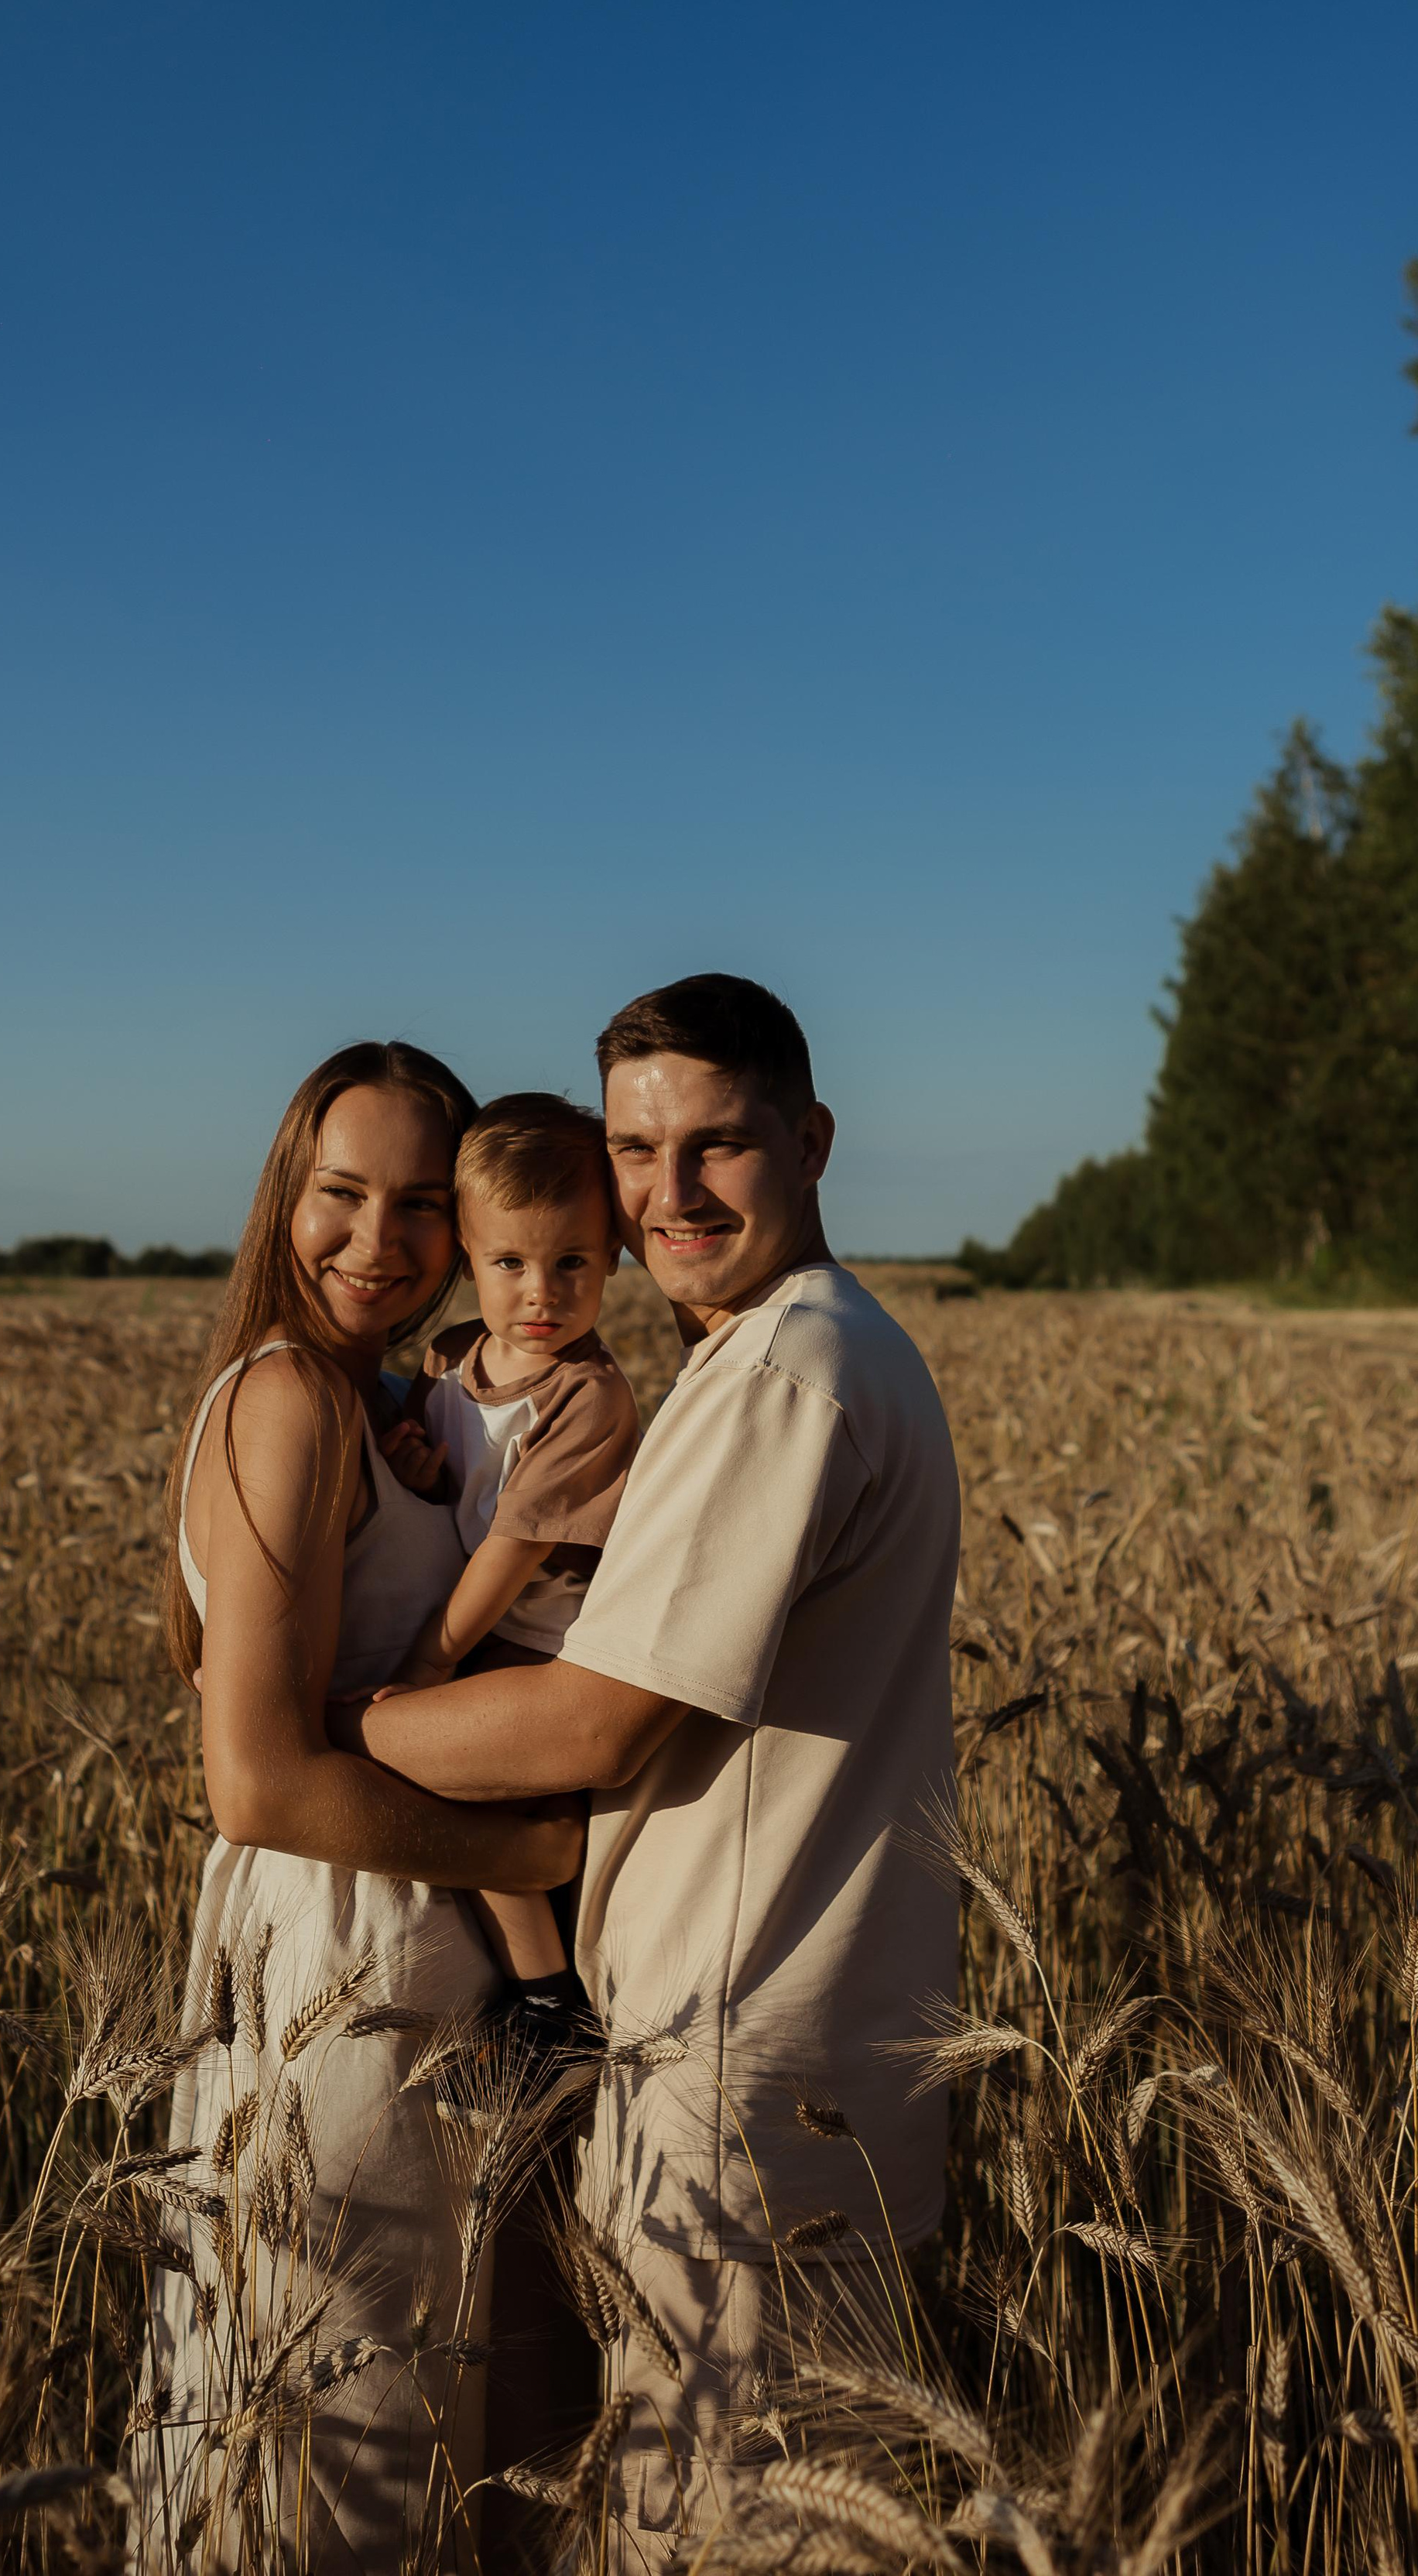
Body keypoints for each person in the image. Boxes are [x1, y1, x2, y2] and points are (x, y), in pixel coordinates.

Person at [344, 976, 962, 2566]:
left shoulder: (777, 1377)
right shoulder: (806, 1353)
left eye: (717, 1146)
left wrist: (342, 1720)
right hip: (789, 2042)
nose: (667, 1193)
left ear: (810, 1141)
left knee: (733, 2522)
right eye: (633, 1149)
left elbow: (593, 1725)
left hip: (739, 2058)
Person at [133, 1040, 582, 2576]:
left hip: (408, 1957)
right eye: (339, 1197)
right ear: (285, 1196)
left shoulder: (376, 1400)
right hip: (354, 1960)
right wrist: (536, 1851)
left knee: (430, 2421)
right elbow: (256, 1779)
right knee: (355, 2437)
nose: (376, 1245)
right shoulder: (286, 1404)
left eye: (415, 1208)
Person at [377, 1091, 640, 2066]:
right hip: (473, 1630)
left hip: (537, 1645)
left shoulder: (586, 1396)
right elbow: (465, 1483)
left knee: (480, 1809)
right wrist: (423, 1467)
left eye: (571, 1262)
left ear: (612, 1254)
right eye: (510, 1264)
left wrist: (428, 1659)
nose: (542, 1293)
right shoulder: (451, 1362)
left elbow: (512, 1546)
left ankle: (546, 2000)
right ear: (468, 1259)